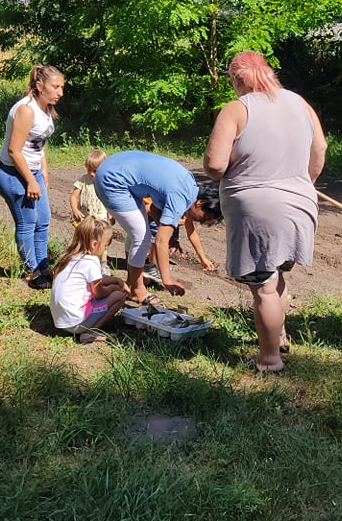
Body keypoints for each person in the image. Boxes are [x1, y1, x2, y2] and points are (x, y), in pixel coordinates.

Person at [203, 51, 327, 373]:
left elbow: (215, 165)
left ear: (237, 79)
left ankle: (270, 359)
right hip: (301, 204)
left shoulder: (237, 109)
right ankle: (278, 336)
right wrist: (303, 182)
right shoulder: (299, 103)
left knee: (265, 286)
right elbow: (320, 148)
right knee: (277, 273)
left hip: (258, 210)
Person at [94, 150, 223, 304]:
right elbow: (161, 241)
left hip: (114, 166)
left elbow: (155, 209)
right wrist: (167, 279)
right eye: (204, 218)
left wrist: (170, 237)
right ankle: (137, 290)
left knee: (140, 233)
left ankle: (132, 283)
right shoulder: (181, 197)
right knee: (142, 236)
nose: (200, 222)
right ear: (200, 203)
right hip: (111, 181)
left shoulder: (189, 184)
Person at [0, 64, 64, 289]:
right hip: (11, 172)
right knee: (28, 222)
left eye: (62, 87)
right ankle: (32, 271)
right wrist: (31, 180)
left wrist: (43, 171)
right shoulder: (26, 110)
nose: (60, 92)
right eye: (55, 87)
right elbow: (14, 150)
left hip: (33, 172)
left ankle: (44, 266)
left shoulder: (46, 109)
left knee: (43, 219)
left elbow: (39, 143)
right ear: (40, 86)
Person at [50, 216, 129, 344]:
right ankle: (89, 333)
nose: (105, 250)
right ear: (94, 244)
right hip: (75, 322)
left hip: (61, 320)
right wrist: (114, 288)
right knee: (119, 296)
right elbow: (99, 293)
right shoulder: (91, 261)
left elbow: (97, 279)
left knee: (114, 291)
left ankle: (87, 325)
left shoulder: (71, 257)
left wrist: (117, 281)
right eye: (105, 246)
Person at [69, 148, 114, 225]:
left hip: (101, 219)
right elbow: (74, 196)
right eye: (89, 170)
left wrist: (111, 214)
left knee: (101, 232)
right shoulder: (83, 180)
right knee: (84, 233)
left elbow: (110, 199)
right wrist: (75, 210)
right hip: (85, 218)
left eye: (95, 171)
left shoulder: (106, 182)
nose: (91, 173)